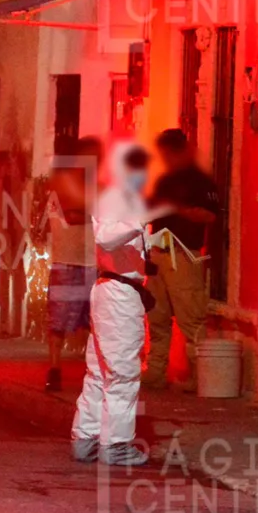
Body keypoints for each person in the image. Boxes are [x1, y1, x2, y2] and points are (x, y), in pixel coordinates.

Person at [71, 141, 171, 466]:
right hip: (118, 295)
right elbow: (105, 237)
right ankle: (115, 445)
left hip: (113, 290)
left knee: (100, 371)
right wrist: (138, 225)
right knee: (123, 373)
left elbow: (119, 244)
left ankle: (85, 438)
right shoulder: (117, 202)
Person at [144, 129, 219, 391]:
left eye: (168, 155)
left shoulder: (201, 182)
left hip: (185, 254)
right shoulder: (164, 181)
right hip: (159, 252)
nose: (165, 160)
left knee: (191, 317)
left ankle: (200, 377)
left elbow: (210, 216)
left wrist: (179, 209)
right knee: (157, 316)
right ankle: (155, 372)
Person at [45, 136, 103, 392]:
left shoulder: (96, 187)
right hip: (67, 262)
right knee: (59, 319)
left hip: (93, 262)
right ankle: (54, 368)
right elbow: (72, 215)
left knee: (93, 321)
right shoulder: (63, 184)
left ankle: (90, 371)